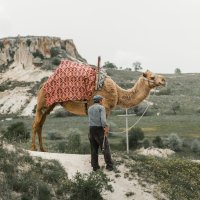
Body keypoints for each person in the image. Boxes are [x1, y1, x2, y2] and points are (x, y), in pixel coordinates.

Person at [88, 95, 113, 171]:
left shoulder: (90, 108)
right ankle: (109, 166)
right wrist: (105, 127)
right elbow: (103, 120)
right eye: (102, 100)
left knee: (93, 148)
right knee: (105, 147)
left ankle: (95, 167)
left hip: (91, 129)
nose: (102, 102)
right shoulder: (101, 108)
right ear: (100, 101)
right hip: (99, 130)